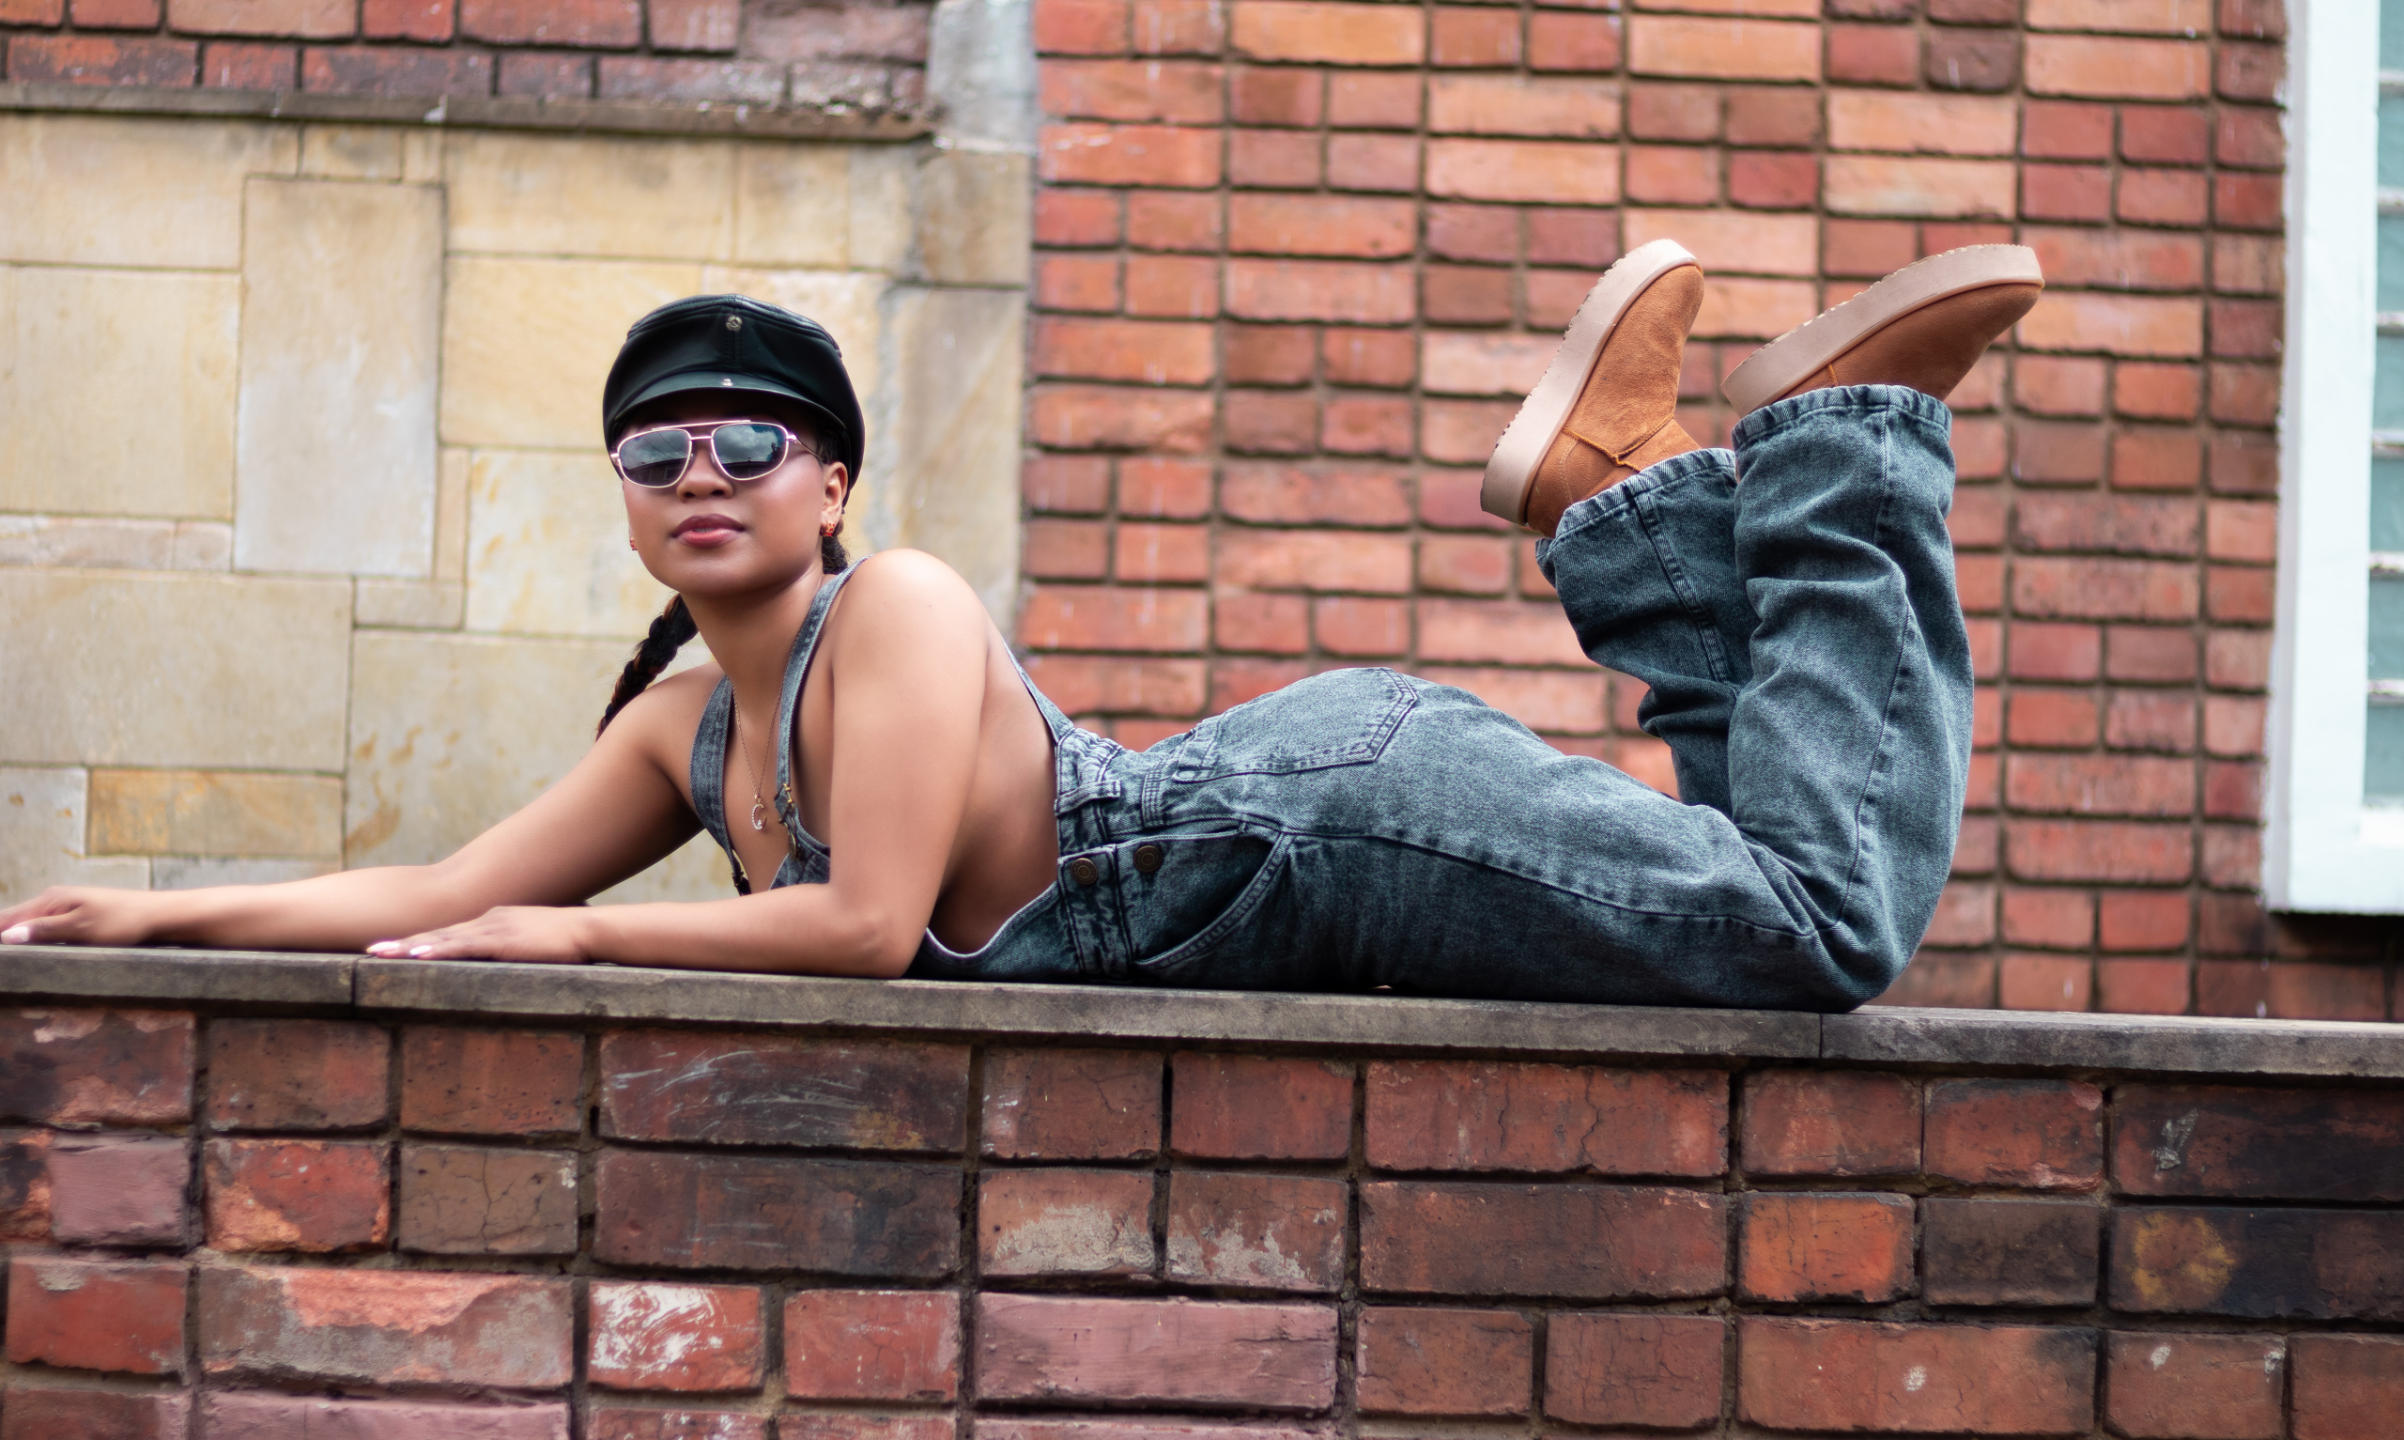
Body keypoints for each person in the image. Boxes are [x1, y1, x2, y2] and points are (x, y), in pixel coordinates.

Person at [0, 240, 2042, 1012]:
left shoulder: (891, 607)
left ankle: (1841, 449)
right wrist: (143, 918)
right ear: (622, 497)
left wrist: (583, 939)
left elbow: (864, 927)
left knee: (1816, 933)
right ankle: (1628, 491)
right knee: (1759, 888)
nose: (702, 472)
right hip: (1287, 859)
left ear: (830, 487)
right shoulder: (684, 732)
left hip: (1329, 819)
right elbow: (442, 892)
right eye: (655, 451)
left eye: (750, 441)